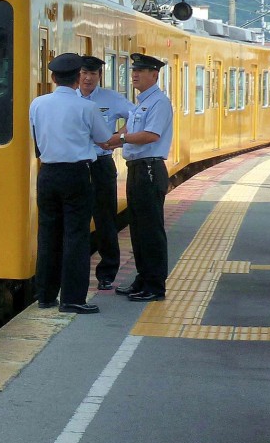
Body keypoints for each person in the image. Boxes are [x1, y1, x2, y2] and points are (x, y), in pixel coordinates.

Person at [29, 52, 112, 314]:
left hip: (47, 174)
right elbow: (103, 139)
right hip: (76, 174)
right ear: (78, 78)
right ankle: (72, 299)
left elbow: (35, 139)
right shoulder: (87, 107)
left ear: (53, 78)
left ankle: (45, 295)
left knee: (48, 234)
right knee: (76, 236)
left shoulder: (38, 104)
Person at [103, 53, 174, 302]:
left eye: (141, 71)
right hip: (137, 169)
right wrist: (113, 137)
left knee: (151, 230)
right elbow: (130, 129)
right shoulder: (142, 103)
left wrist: (119, 140)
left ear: (154, 75)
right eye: (134, 70)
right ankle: (143, 278)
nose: (135, 74)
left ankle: (155, 286)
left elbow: (151, 135)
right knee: (138, 228)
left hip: (150, 169)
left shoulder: (159, 103)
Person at [79, 56, 134, 290]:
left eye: (93, 74)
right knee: (76, 220)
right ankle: (76, 271)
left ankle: (107, 272)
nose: (88, 78)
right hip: (77, 165)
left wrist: (117, 138)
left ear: (99, 76)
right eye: (84, 73)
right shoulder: (68, 97)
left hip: (101, 165)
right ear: (77, 75)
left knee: (105, 220)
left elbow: (137, 117)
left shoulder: (110, 98)